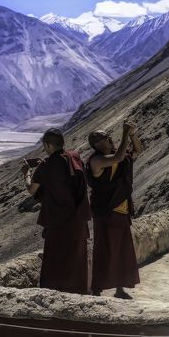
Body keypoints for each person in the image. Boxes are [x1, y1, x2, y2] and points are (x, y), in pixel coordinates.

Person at [23, 127, 91, 294]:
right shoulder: (74, 157)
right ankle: (79, 292)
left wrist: (27, 173)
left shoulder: (47, 166)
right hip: (78, 219)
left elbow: (32, 190)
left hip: (59, 222)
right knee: (76, 256)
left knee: (56, 257)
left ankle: (56, 294)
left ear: (47, 145)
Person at [87, 121, 144, 299]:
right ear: (96, 144)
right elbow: (118, 158)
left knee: (122, 250)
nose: (110, 138)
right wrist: (125, 134)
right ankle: (97, 289)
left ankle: (120, 288)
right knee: (104, 249)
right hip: (105, 212)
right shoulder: (96, 161)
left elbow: (137, 151)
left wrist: (133, 134)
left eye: (109, 135)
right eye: (105, 137)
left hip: (121, 209)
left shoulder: (117, 155)